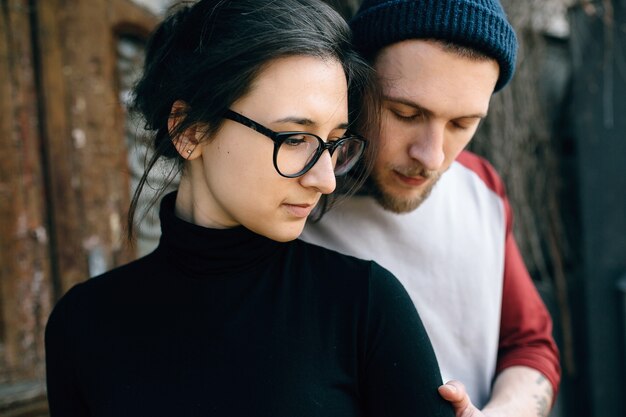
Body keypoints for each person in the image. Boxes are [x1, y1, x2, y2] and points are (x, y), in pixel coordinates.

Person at [44, 1, 455, 416]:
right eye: (294, 139)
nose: (326, 180)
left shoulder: (363, 306)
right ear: (190, 131)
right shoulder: (82, 324)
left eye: (334, 143)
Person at [303, 1, 562, 416]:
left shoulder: (480, 186)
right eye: (406, 113)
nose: (433, 156)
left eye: (462, 124)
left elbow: (529, 345)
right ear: (355, 84)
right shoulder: (292, 202)